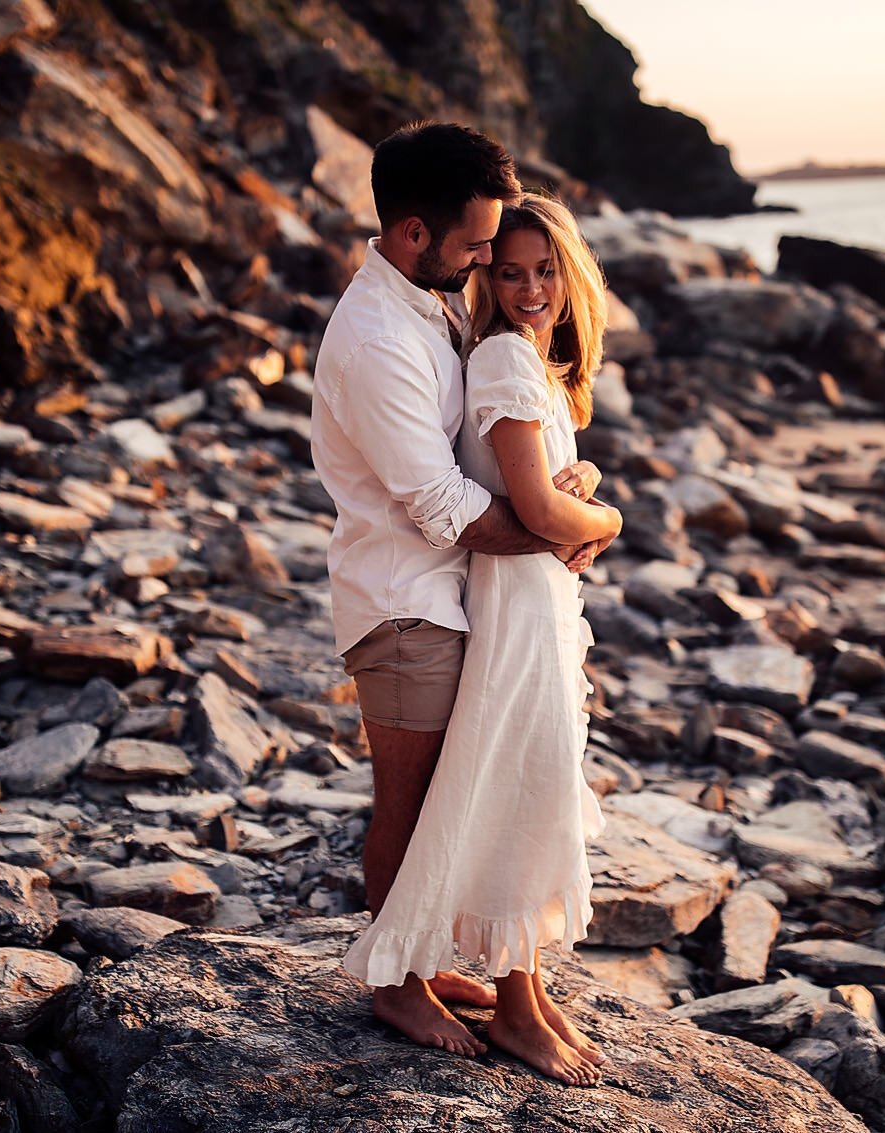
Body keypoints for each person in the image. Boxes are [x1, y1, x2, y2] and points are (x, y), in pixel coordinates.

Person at [311, 124, 604, 1060]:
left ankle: (426, 956)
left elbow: (494, 447)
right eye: (477, 246)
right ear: (410, 232)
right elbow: (442, 501)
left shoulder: (431, 304)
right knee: (408, 799)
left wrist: (566, 493)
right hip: (404, 602)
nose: (488, 261)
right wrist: (564, 532)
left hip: (453, 595)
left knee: (458, 796)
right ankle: (397, 986)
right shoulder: (374, 337)